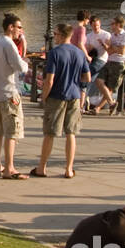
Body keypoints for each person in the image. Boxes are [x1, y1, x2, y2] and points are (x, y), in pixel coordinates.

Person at [34, 21, 90, 179]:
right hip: (74, 95)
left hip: (57, 95)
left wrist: (43, 97)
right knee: (71, 133)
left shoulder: (55, 53)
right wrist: (74, 79)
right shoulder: (79, 53)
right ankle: (69, 169)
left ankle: (42, 167)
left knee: (50, 133)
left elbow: (49, 80)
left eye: (56, 34)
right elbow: (87, 76)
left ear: (62, 35)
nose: (54, 37)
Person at [0, 13, 31, 179]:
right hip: (10, 93)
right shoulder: (8, 44)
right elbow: (19, 66)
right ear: (10, 27)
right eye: (19, 27)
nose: (21, 31)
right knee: (12, 132)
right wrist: (25, 63)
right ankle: (9, 168)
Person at [93, 15, 125, 111]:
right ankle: (111, 103)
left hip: (119, 63)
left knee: (110, 88)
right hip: (110, 61)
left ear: (118, 25)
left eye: (112, 24)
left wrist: (112, 47)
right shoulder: (112, 35)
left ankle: (98, 108)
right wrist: (104, 45)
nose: (111, 26)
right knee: (98, 81)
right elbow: (109, 51)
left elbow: (122, 51)